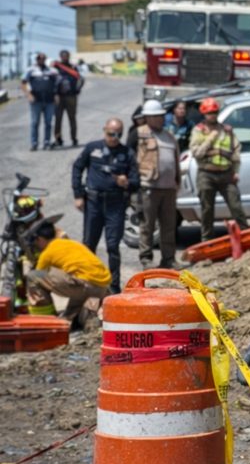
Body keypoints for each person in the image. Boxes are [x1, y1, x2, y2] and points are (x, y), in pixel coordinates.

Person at [72, 118, 139, 293]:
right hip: (93, 201)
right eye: (111, 134)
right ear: (104, 130)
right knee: (88, 244)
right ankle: (87, 282)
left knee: (112, 246)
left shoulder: (127, 153)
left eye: (118, 134)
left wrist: (127, 183)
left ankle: (114, 286)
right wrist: (78, 195)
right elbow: (77, 168)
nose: (114, 138)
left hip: (115, 203)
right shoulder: (92, 148)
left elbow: (136, 181)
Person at [26, 222, 111, 330]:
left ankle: (44, 319)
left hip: (85, 286)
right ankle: (84, 317)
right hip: (102, 287)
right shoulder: (71, 243)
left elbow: (38, 275)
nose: (36, 246)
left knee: (34, 276)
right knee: (68, 319)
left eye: (35, 242)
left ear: (40, 239)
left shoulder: (47, 253)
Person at [190, 97, 248, 242]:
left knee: (236, 207)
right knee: (207, 210)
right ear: (204, 114)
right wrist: (211, 137)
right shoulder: (199, 131)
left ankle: (247, 237)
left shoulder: (227, 130)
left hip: (226, 173)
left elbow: (236, 152)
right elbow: (196, 153)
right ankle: (207, 241)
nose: (213, 115)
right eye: (210, 113)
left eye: (215, 112)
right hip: (206, 173)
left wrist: (235, 171)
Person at [134, 99, 181, 270]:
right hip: (149, 187)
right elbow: (131, 159)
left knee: (169, 225)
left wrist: (177, 182)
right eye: (156, 116)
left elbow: (175, 160)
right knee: (147, 225)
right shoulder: (139, 134)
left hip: (168, 188)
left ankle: (168, 258)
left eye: (161, 116)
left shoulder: (169, 136)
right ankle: (146, 259)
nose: (160, 119)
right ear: (147, 117)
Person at [22, 52, 59, 152]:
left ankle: (46, 142)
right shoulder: (30, 70)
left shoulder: (51, 71)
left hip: (49, 101)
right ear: (36, 59)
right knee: (35, 123)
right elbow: (23, 83)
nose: (41, 60)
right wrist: (28, 95)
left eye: (43, 58)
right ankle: (34, 144)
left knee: (48, 123)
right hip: (36, 101)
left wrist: (56, 96)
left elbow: (56, 84)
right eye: (39, 58)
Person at [52, 50, 84, 148]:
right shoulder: (55, 67)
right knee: (58, 119)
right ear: (60, 57)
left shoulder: (73, 67)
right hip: (59, 97)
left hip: (71, 96)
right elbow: (51, 80)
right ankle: (58, 139)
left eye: (66, 56)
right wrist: (54, 94)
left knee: (72, 119)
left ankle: (74, 139)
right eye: (63, 56)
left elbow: (81, 79)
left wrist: (78, 89)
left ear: (69, 57)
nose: (65, 57)